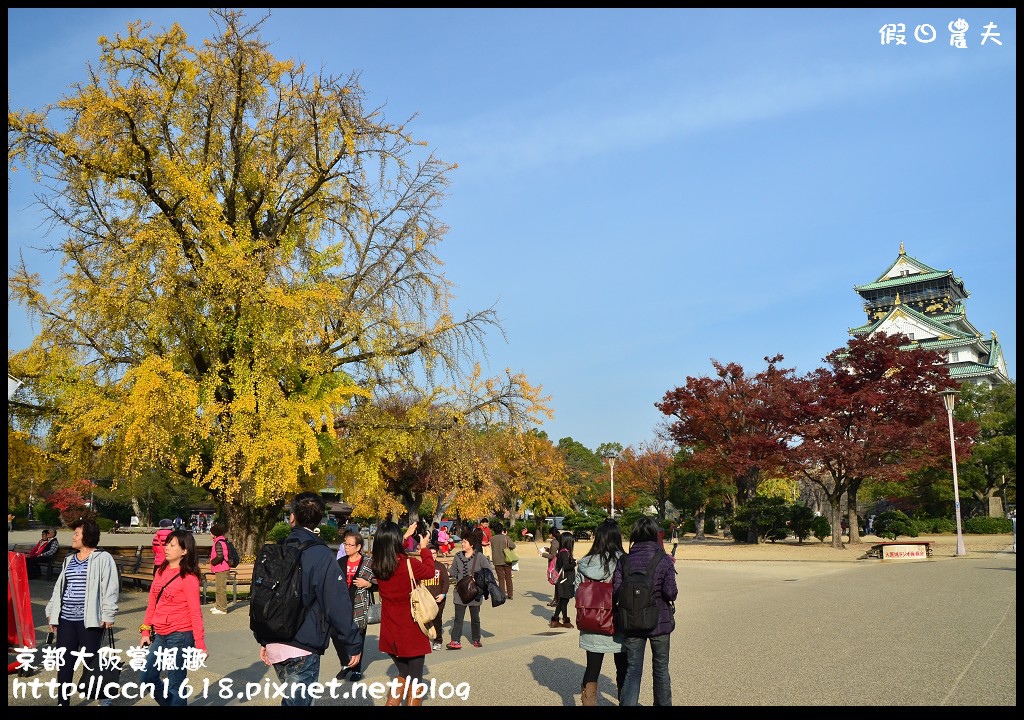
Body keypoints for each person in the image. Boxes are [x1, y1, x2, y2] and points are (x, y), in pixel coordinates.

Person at [258, 492, 362, 706]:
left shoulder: (279, 549)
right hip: (303, 644)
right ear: (320, 519)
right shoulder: (321, 555)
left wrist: (264, 638)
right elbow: (337, 602)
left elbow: (265, 595)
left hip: (275, 639)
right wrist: (352, 642)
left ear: (292, 517)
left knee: (293, 699)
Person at [45, 517, 119, 706]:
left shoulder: (103, 558)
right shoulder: (69, 559)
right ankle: (63, 702)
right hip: (66, 620)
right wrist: (52, 612)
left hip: (90, 620)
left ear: (87, 536)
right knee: (64, 663)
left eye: (76, 534)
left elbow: (110, 587)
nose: (73, 537)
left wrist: (108, 614)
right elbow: (59, 588)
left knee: (91, 661)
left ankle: (103, 693)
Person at [613, 516, 678, 706]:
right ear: (654, 534)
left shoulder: (624, 560)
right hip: (660, 621)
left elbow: (617, 591)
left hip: (632, 622)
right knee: (660, 669)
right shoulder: (664, 560)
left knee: (632, 670)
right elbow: (670, 593)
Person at [139, 530, 207, 706]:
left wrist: (200, 645)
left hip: (180, 635)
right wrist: (145, 630)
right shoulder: (161, 571)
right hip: (160, 634)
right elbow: (152, 603)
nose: (167, 548)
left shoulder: (189, 577)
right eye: (167, 544)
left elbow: (195, 612)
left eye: (172, 545)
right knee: (147, 676)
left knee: (176, 683)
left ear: (184, 551)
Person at [371, 520, 436, 706]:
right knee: (415, 679)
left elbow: (388, 549)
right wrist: (424, 549)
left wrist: (406, 535)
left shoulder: (377, 565)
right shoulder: (409, 564)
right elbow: (430, 571)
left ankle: (391, 704)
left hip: (391, 631)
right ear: (396, 541)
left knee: (402, 674)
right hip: (411, 628)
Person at [574, 519, 628, 705]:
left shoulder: (585, 563)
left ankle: (588, 701)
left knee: (592, 668)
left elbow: (577, 593)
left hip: (591, 623)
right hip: (617, 624)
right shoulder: (624, 561)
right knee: (622, 669)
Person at [332, 529, 374, 682]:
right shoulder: (340, 562)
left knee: (358, 636)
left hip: (359, 605)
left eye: (350, 545)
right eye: (345, 544)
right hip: (341, 604)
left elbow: (380, 582)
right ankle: (345, 663)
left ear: (358, 547)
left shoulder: (368, 562)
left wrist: (368, 583)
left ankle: (356, 669)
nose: (347, 547)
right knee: (335, 634)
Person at [447, 528, 493, 651]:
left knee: (475, 618)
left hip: (474, 592)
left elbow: (488, 571)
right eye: (462, 542)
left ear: (471, 544)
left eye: (465, 542)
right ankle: (455, 640)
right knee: (458, 618)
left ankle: (476, 638)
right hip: (460, 592)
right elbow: (453, 571)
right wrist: (445, 573)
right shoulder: (457, 556)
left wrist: (479, 579)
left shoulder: (480, 557)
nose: (462, 544)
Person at [422, 543, 451, 650]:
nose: (432, 555)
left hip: (438, 599)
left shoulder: (440, 567)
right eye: (430, 553)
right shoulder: (422, 566)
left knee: (437, 620)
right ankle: (424, 639)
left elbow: (446, 582)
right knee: (424, 620)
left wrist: (443, 594)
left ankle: (438, 640)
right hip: (425, 599)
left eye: (434, 553)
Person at [551, 531, 576, 628]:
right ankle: (564, 620)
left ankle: (555, 620)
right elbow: (566, 566)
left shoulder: (562, 552)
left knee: (563, 601)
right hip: (565, 580)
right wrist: (574, 563)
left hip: (563, 580)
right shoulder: (565, 552)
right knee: (564, 601)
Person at [208, 521, 231, 615]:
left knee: (221, 589)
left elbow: (220, 556)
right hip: (220, 568)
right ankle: (218, 605)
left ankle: (222, 608)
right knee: (218, 588)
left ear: (214, 534)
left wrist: (212, 562)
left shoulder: (218, 543)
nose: (210, 534)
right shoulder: (220, 541)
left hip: (222, 568)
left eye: (211, 532)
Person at [489, 521, 516, 600]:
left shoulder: (492, 539)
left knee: (500, 578)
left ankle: (502, 594)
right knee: (508, 577)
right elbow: (513, 546)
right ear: (502, 530)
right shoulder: (506, 538)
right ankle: (510, 594)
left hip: (497, 560)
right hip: (507, 559)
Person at [542, 530, 562, 607]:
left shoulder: (554, 543)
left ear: (552, 534)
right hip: (559, 563)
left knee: (556, 583)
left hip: (554, 565)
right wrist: (548, 549)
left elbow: (552, 556)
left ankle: (556, 600)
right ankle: (557, 599)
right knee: (558, 583)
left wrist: (543, 554)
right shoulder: (559, 541)